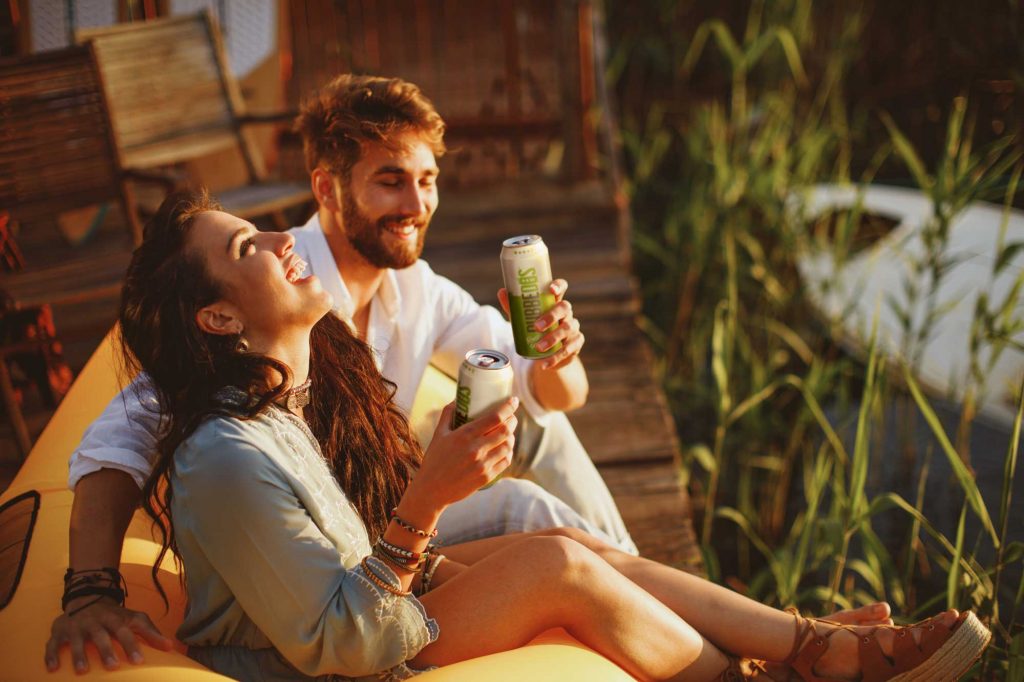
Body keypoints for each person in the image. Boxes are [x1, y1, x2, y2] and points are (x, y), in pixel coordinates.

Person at [45, 74, 889, 673]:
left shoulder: (417, 294)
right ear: (328, 190)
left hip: (363, 535)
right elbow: (122, 436)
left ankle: (781, 639)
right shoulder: (276, 311)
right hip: (348, 569)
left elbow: (554, 394)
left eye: (428, 180)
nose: (415, 204)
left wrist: (558, 353)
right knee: (550, 552)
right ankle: (777, 649)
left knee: (548, 479)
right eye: (389, 182)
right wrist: (88, 589)